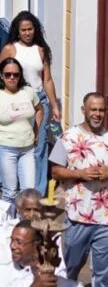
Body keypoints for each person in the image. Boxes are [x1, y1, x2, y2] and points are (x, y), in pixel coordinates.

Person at [0, 11, 61, 195]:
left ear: (35, 30)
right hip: (17, 101)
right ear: (17, 31)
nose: (27, 33)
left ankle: (37, 191)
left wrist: (54, 105)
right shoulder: (10, 49)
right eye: (23, 30)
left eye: (30, 29)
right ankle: (9, 186)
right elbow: (1, 75)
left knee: (39, 146)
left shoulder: (41, 50)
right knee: (14, 144)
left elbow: (47, 79)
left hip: (39, 102)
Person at [49, 92, 108, 285]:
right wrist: (80, 174)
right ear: (84, 110)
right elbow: (56, 172)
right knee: (71, 266)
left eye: (101, 110)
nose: (97, 114)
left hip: (104, 217)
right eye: (93, 109)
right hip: (78, 216)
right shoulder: (68, 137)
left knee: (103, 271)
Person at [0, 58, 43, 202]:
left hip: (27, 148)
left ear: (20, 75)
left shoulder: (28, 91)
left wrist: (36, 131)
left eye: (16, 74)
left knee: (28, 192)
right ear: (1, 75)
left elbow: (39, 109)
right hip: (5, 149)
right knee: (9, 192)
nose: (12, 78)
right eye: (8, 74)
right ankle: (8, 223)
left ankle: (24, 223)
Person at [0, 189, 69, 282]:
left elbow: (60, 269)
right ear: (18, 209)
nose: (32, 214)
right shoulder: (2, 232)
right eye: (27, 210)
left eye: (36, 210)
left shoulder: (50, 234)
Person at [0, 221, 82, 286]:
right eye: (12, 240)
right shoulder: (18, 284)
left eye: (19, 242)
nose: (12, 246)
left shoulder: (72, 285)